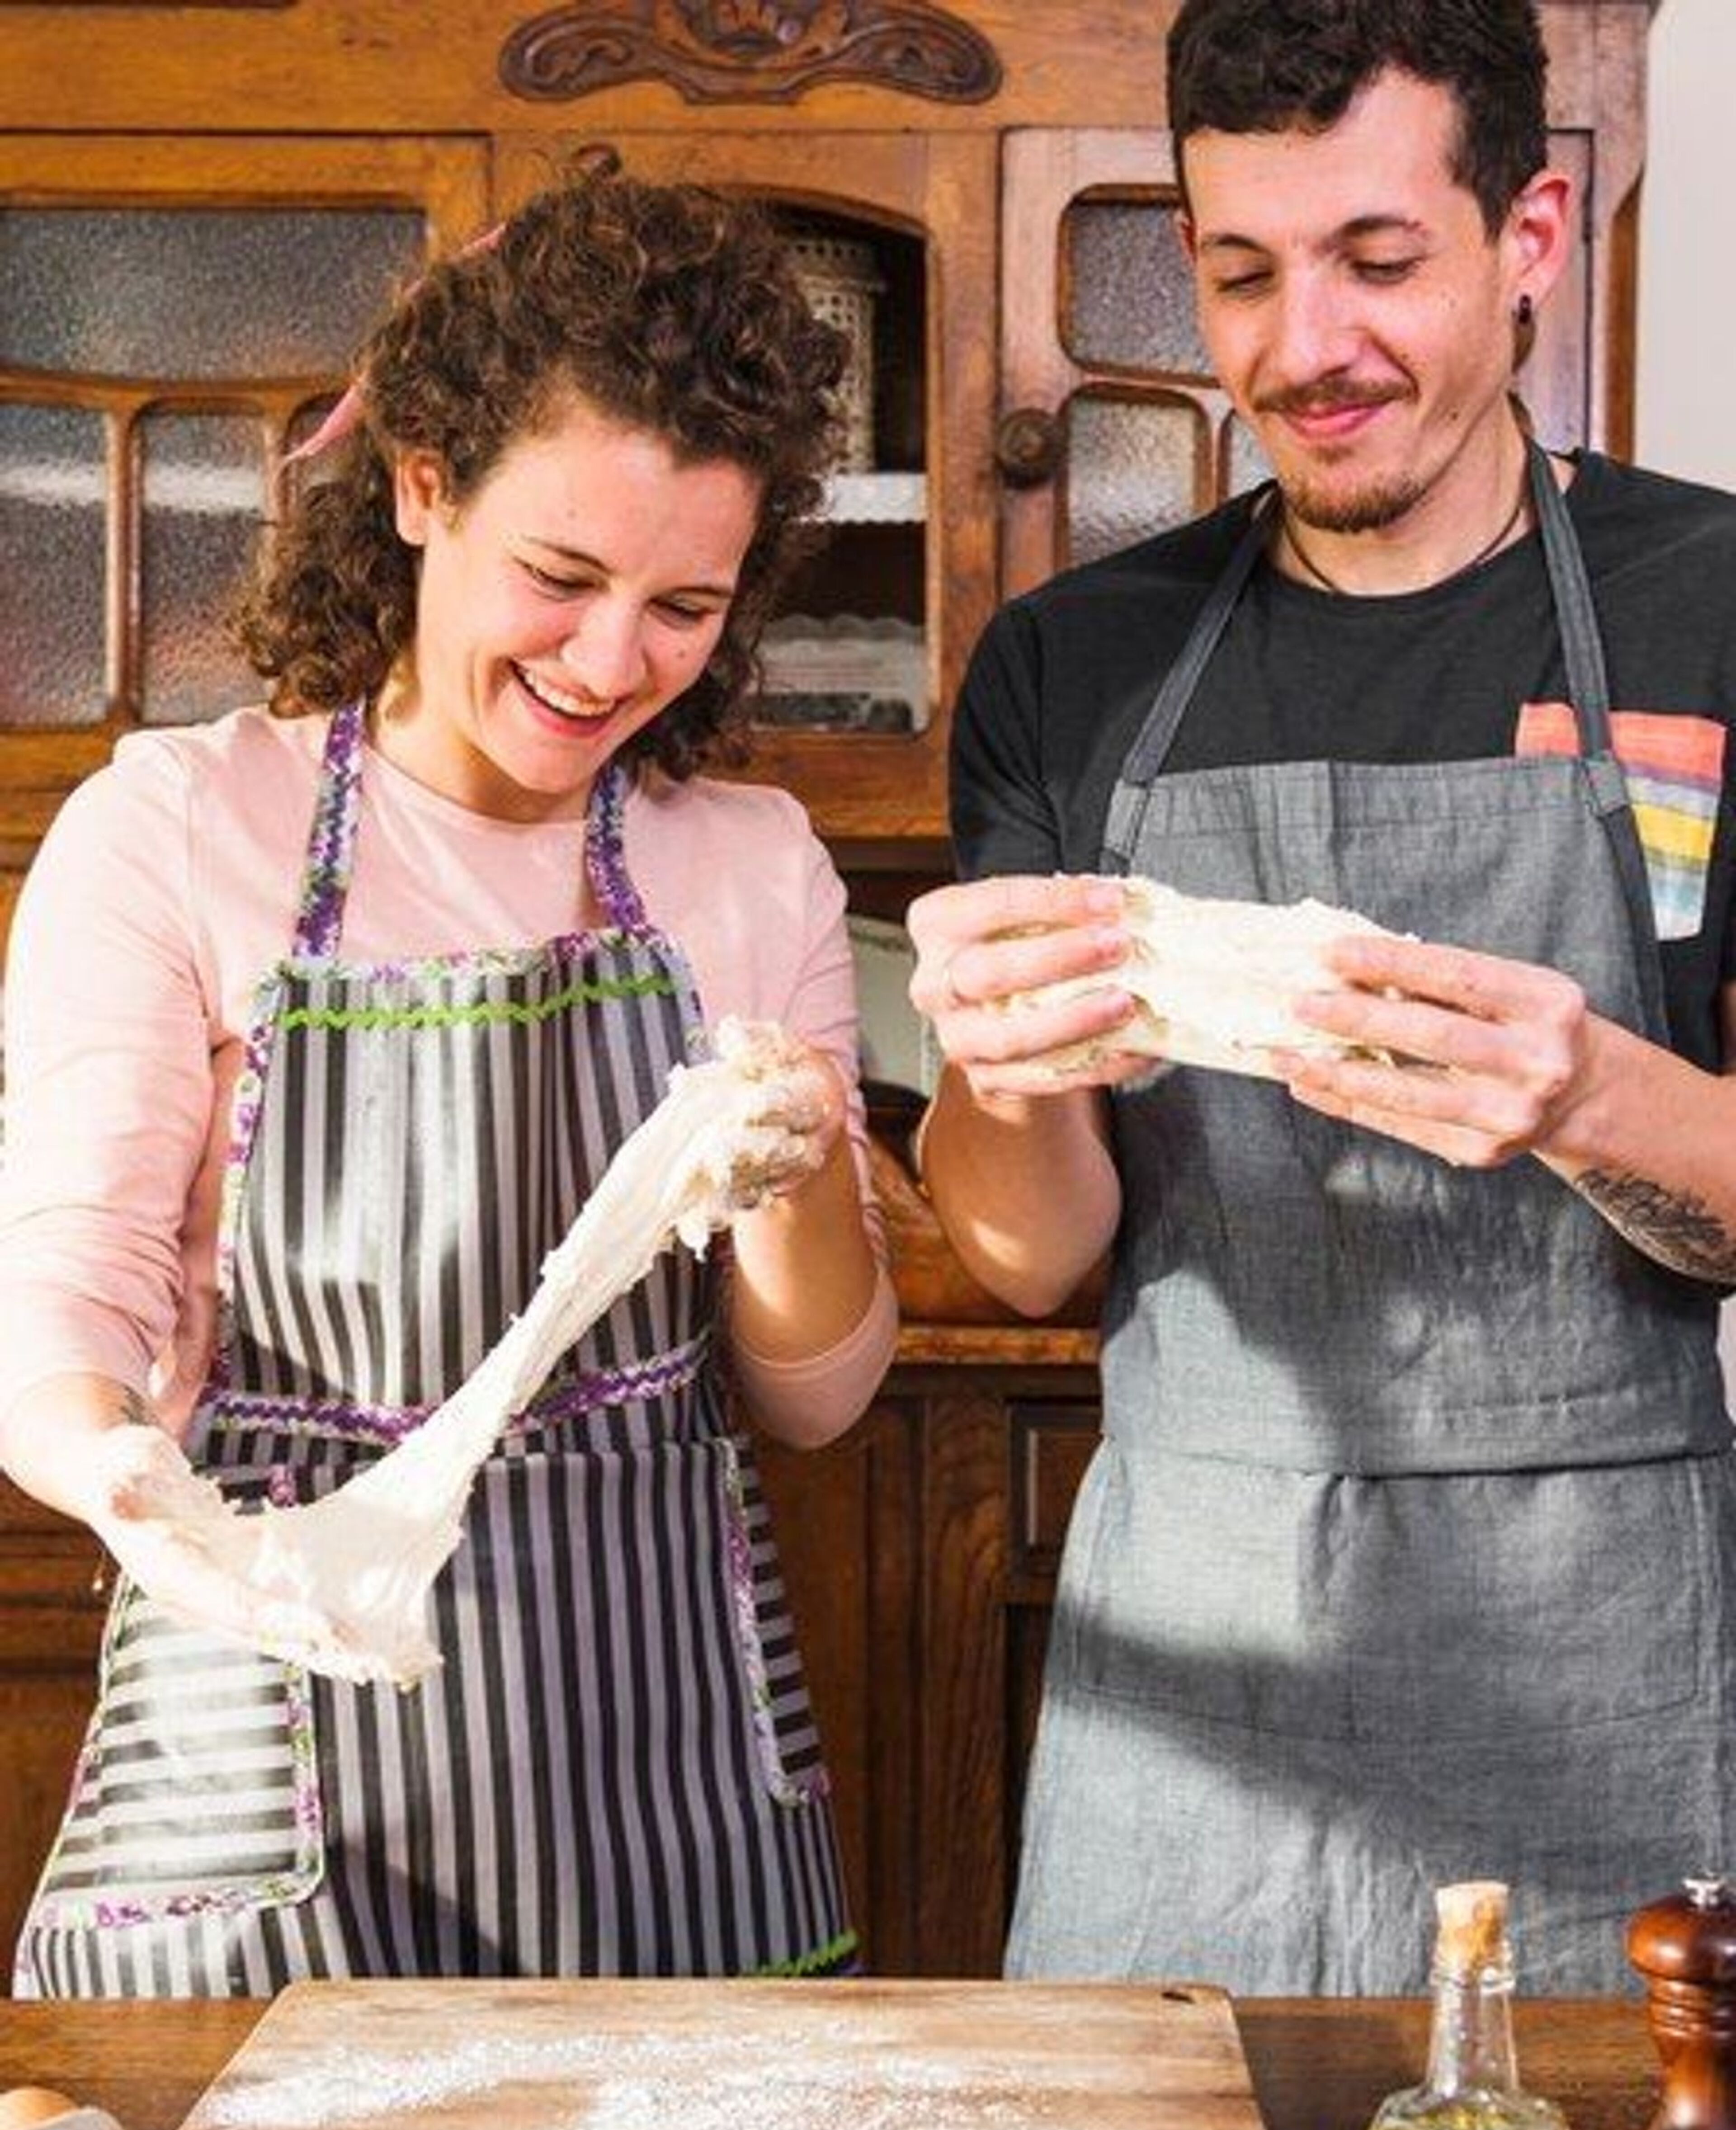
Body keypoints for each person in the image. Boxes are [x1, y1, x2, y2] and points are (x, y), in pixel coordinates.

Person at [906, 0, 1736, 1995]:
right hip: (1196, 1649)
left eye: (1378, 262)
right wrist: (1006, 1078)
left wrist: (1588, 1091)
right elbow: (1032, 1260)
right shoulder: (1073, 667)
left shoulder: (1708, 605)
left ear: (1527, 234)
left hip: (1604, 1647)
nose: (1305, 351)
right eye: (1242, 274)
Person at [0, 163, 899, 1997]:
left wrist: (805, 1167)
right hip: (267, 1737)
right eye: (560, 577)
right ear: (423, 487)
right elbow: (63, 1283)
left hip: (663, 1786)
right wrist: (119, 1475)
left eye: (684, 604)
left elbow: (813, 1401)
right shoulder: (182, 829)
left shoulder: (752, 866)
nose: (608, 660)